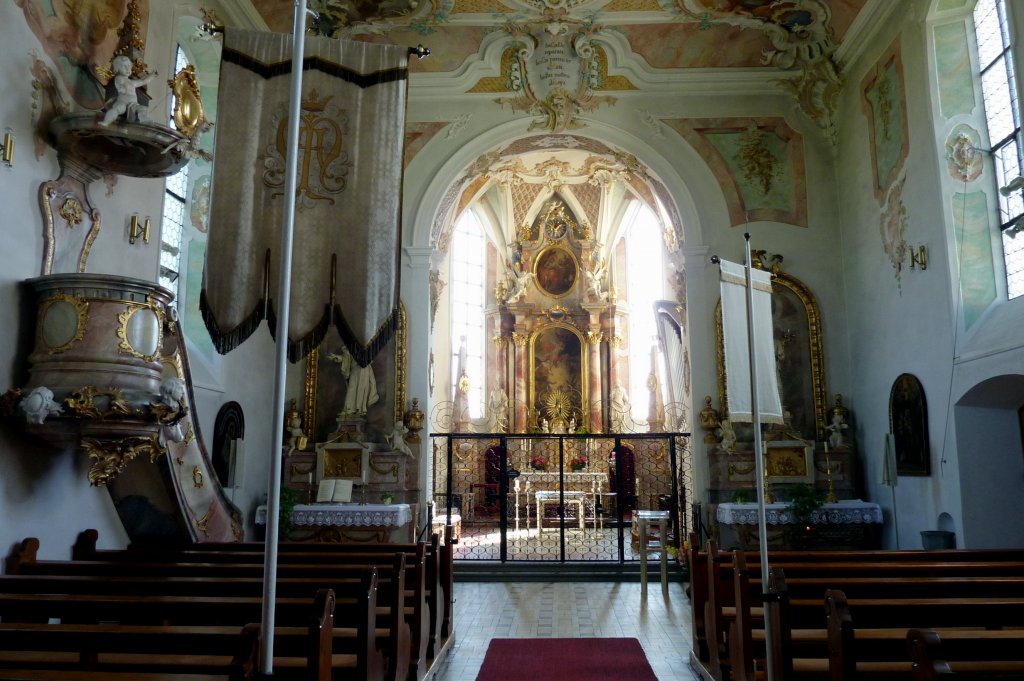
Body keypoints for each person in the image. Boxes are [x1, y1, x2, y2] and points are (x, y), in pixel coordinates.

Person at [99, 55, 156, 126]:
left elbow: (142, 81)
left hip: (133, 104)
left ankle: (145, 122)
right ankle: (106, 122)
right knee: (116, 110)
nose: (127, 69)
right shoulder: (119, 78)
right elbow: (118, 84)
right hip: (122, 102)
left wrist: (151, 76)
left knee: (143, 109)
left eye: (129, 66)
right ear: (117, 69)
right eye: (124, 66)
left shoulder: (131, 82)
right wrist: (121, 88)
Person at [327, 346, 379, 417]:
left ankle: (359, 410)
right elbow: (346, 358)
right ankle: (348, 410)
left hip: (363, 369)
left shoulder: (366, 344)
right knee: (351, 389)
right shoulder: (351, 346)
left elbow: (369, 357)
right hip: (354, 370)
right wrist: (337, 357)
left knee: (361, 390)